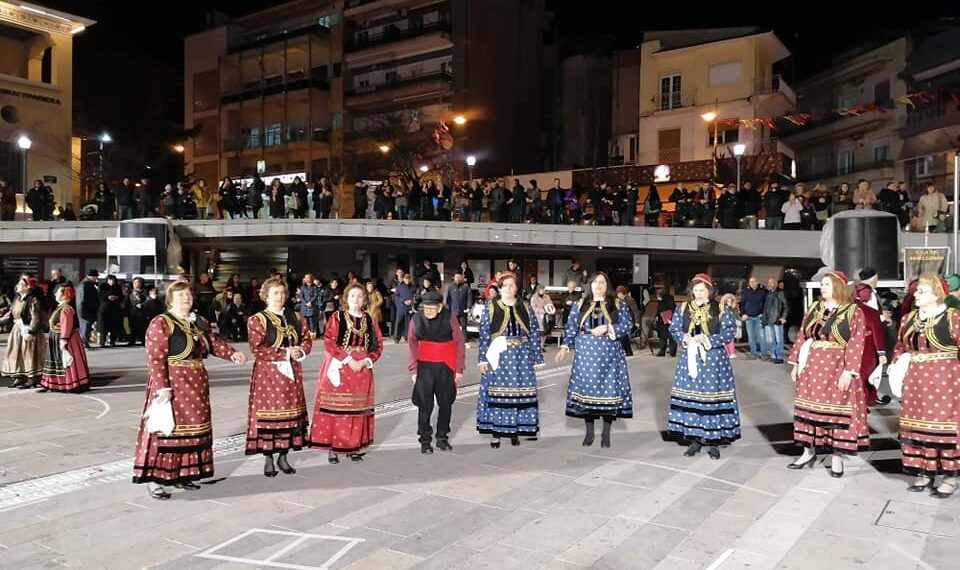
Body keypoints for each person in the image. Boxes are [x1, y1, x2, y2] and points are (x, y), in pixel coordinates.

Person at [132, 281, 247, 500]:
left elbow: (213, 342)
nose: (186, 298)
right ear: (170, 299)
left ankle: (184, 474)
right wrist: (161, 387)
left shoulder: (198, 321)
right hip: (173, 383)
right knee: (167, 430)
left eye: (188, 294)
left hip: (196, 383)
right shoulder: (161, 323)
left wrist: (232, 353)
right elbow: (155, 358)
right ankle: (156, 480)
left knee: (193, 430)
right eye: (181, 295)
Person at [786, 271, 868, 478]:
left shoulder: (853, 311)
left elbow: (856, 343)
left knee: (836, 413)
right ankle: (808, 452)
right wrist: (796, 363)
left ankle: (837, 457)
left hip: (837, 365)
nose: (822, 287)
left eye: (827, 284)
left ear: (839, 287)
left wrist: (849, 372)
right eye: (821, 284)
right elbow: (802, 335)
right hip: (812, 365)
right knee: (808, 409)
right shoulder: (815, 308)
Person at [891, 274, 960, 498]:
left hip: (945, 382)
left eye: (922, 291)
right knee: (916, 427)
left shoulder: (953, 317)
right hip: (915, 383)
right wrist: (895, 370)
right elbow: (900, 347)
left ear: (937, 294)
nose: (916, 294)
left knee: (944, 429)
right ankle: (924, 472)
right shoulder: (908, 319)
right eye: (917, 290)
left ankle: (950, 476)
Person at [556, 272, 633, 448]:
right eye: (595, 282)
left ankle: (606, 433)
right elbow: (571, 327)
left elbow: (627, 325)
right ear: (589, 285)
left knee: (608, 393)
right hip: (586, 354)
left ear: (607, 286)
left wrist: (608, 327)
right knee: (587, 394)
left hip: (609, 353)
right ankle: (589, 432)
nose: (598, 285)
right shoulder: (580, 304)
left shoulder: (617, 304)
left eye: (602, 282)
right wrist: (564, 346)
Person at [667, 274, 740, 459]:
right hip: (689, 359)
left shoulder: (721, 309)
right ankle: (694, 440)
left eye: (702, 290)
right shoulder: (683, 308)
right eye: (695, 290)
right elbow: (674, 328)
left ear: (709, 290)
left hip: (713, 360)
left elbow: (729, 332)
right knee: (692, 398)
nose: (698, 293)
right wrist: (683, 337)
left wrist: (707, 339)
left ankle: (713, 441)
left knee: (712, 399)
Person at [246, 276, 312, 477]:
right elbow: (257, 349)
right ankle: (268, 458)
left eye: (282, 293)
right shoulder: (257, 320)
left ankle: (283, 456)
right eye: (275, 293)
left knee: (289, 416)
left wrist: (300, 350)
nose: (279, 296)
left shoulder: (296, 317)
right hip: (269, 376)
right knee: (270, 417)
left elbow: (307, 339)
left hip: (291, 375)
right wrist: (284, 353)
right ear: (266, 296)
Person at [309, 283, 383, 463]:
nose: (356, 300)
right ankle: (333, 448)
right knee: (337, 409)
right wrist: (349, 360)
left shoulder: (369, 319)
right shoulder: (337, 317)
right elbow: (329, 341)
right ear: (346, 299)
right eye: (352, 296)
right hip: (340, 365)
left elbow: (378, 344)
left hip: (362, 370)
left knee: (356, 409)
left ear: (365, 299)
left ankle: (353, 446)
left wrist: (366, 360)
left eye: (359, 296)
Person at [477, 272, 543, 447]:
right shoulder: (490, 307)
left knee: (519, 395)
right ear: (499, 288)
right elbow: (484, 335)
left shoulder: (525, 307)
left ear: (516, 288)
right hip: (498, 356)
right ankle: (496, 433)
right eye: (505, 285)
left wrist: (536, 358)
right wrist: (483, 359)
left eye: (512, 285)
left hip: (521, 357)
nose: (508, 288)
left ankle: (515, 431)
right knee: (497, 395)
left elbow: (534, 333)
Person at [407, 291, 465, 453]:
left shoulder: (450, 317)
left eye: (433, 307)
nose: (429, 311)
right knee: (425, 405)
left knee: (446, 403)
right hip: (424, 367)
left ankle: (442, 437)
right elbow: (412, 344)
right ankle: (425, 439)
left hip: (446, 366)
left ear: (440, 308)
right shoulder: (416, 319)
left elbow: (459, 342)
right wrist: (413, 369)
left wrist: (459, 368)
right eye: (426, 308)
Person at [38, 286, 89, 392]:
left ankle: (69, 383)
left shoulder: (66, 309)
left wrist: (64, 340)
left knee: (66, 362)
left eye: (58, 293)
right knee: (56, 361)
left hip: (65, 338)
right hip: (56, 337)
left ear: (64, 295)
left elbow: (66, 325)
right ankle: (53, 384)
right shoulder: (61, 307)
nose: (55, 294)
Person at [1, 276, 48, 388]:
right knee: (16, 354)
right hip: (17, 331)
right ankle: (19, 377)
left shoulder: (33, 300)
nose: (18, 285)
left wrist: (30, 332)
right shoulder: (17, 299)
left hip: (28, 331)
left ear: (27, 287)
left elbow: (35, 318)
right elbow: (10, 315)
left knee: (29, 354)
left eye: (21, 284)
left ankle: (31, 379)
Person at [79, 270, 99, 349]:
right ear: (91, 276)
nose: (96, 279)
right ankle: (84, 343)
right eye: (95, 277)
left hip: (89, 310)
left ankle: (85, 342)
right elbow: (81, 299)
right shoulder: (84, 285)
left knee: (87, 328)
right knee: (85, 327)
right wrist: (82, 311)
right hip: (85, 311)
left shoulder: (89, 284)